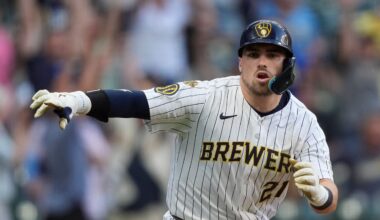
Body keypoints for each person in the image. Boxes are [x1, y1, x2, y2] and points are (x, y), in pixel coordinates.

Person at [30, 19, 338, 219]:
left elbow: (329, 198)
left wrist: (320, 194)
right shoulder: (205, 97)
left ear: (288, 65)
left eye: (272, 55)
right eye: (254, 53)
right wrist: (78, 100)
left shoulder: (304, 123)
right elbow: (137, 102)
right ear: (240, 62)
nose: (262, 62)